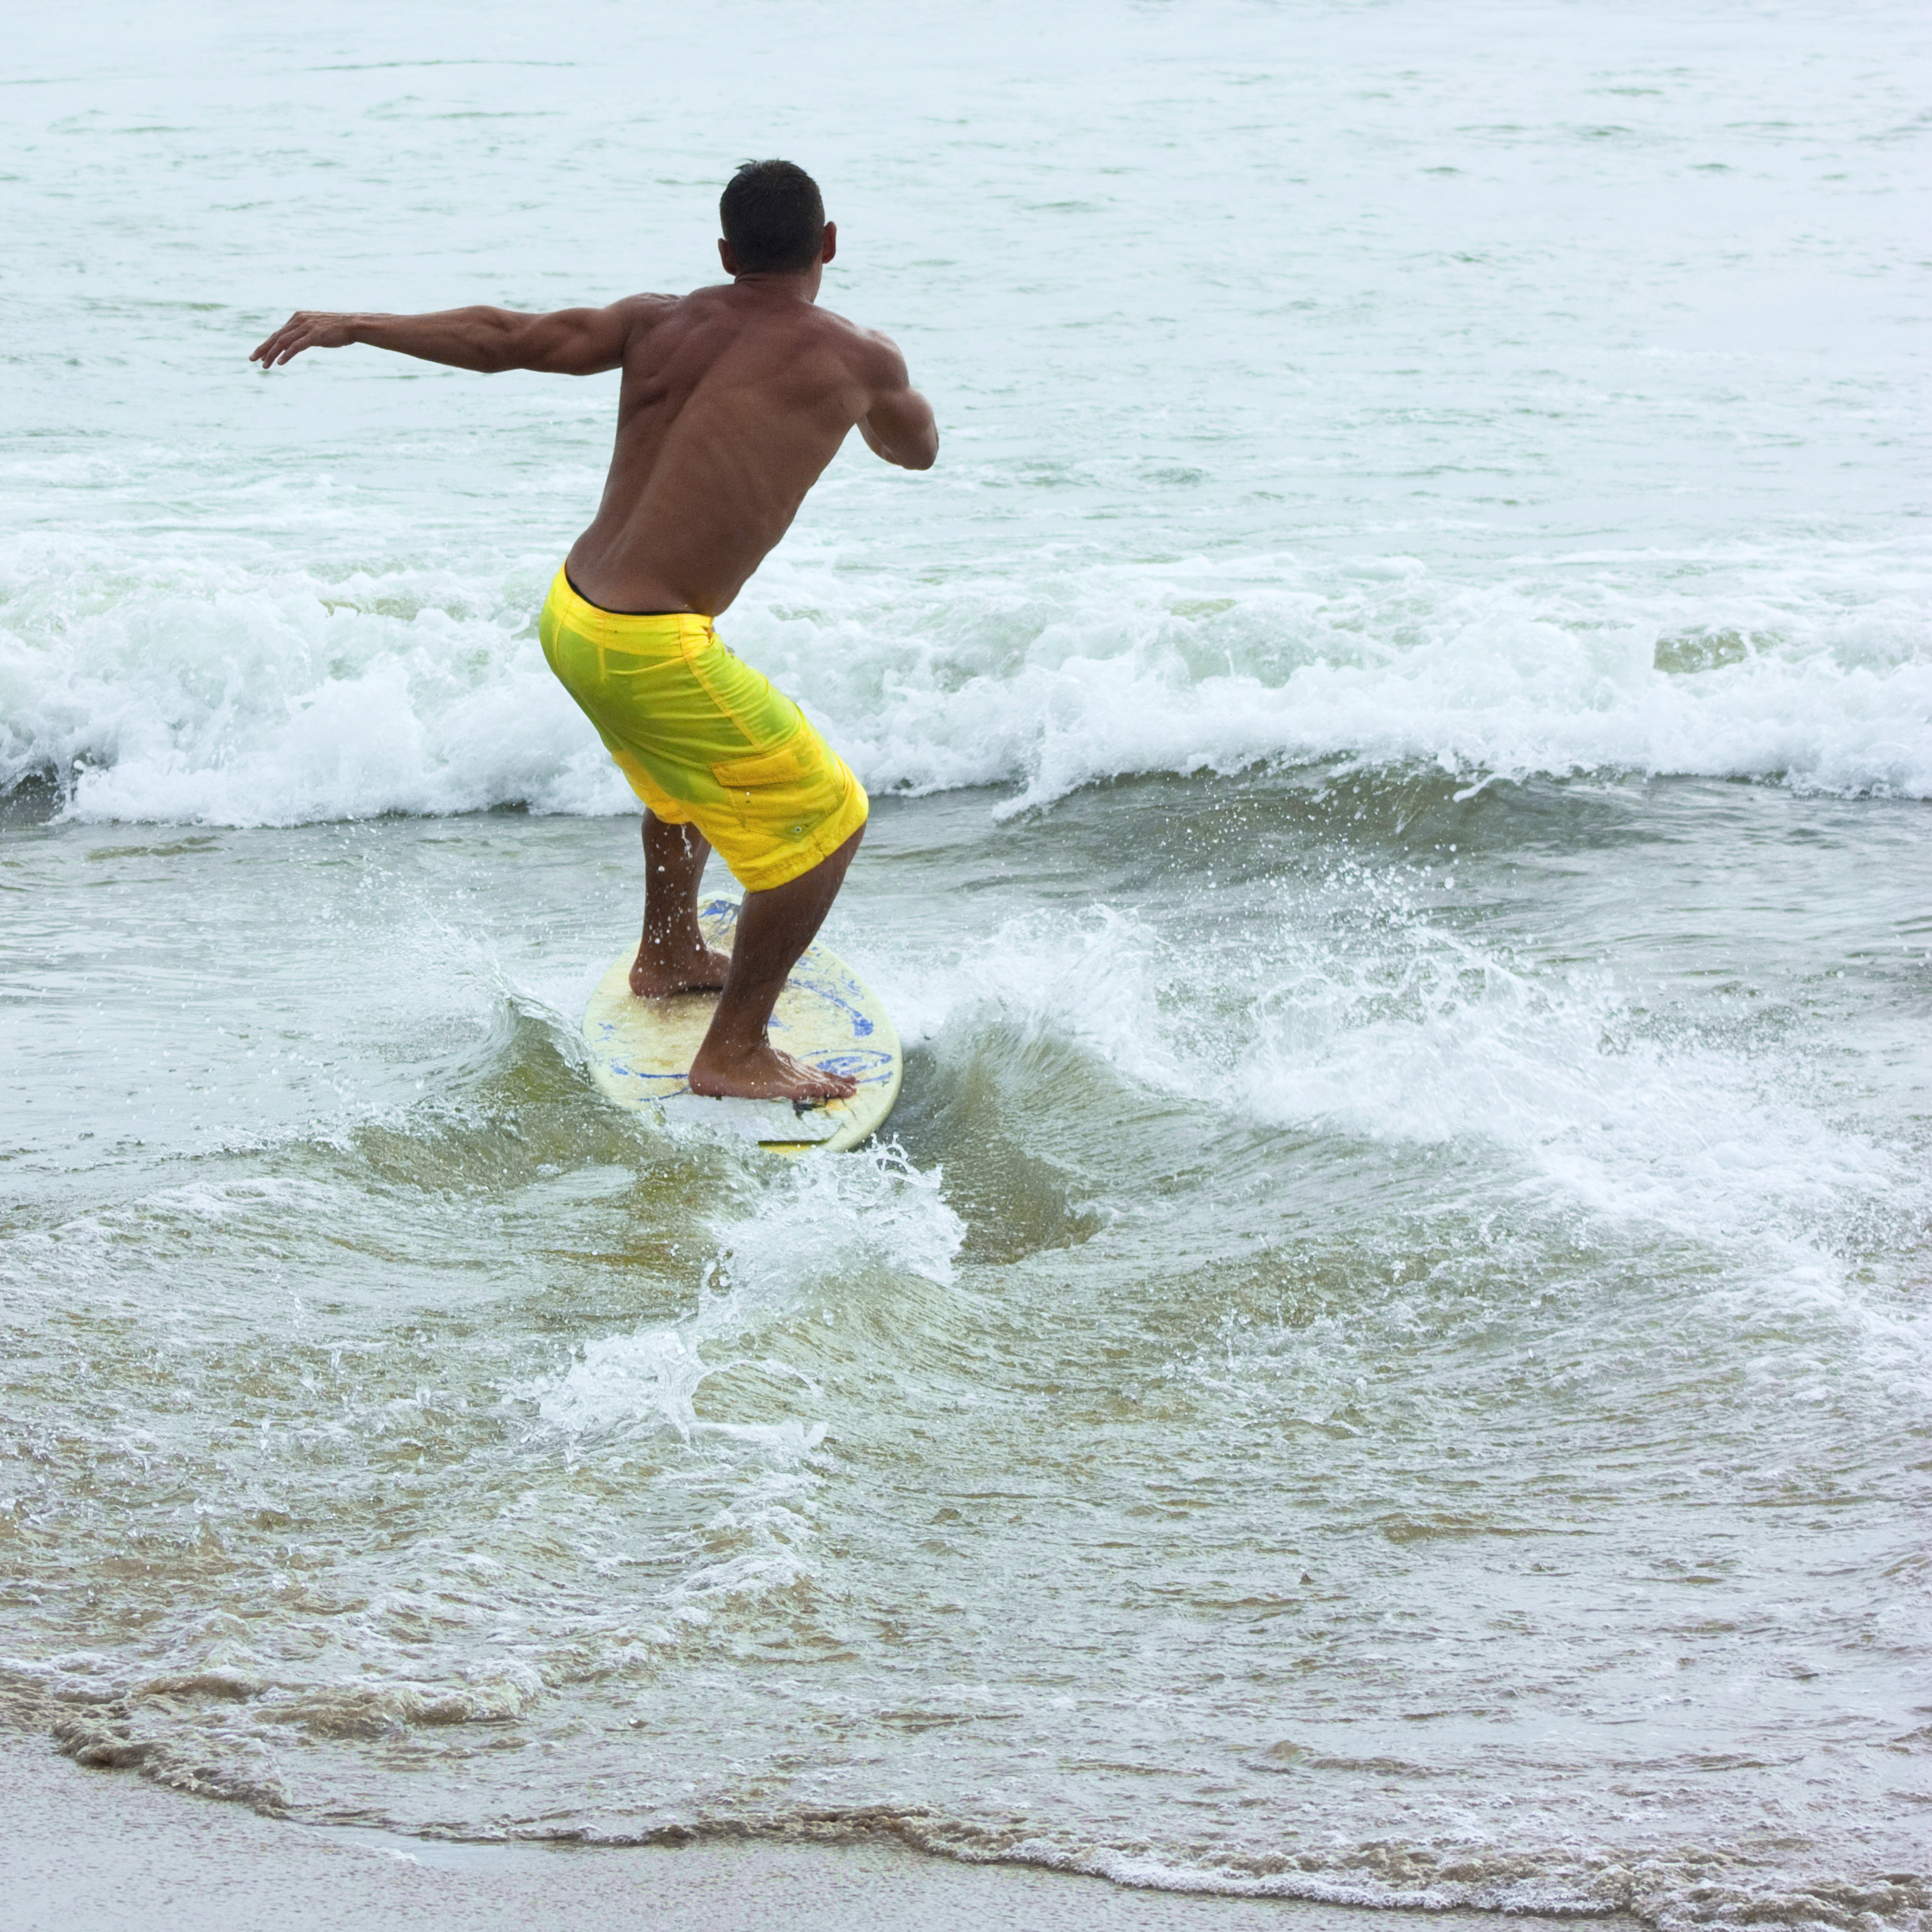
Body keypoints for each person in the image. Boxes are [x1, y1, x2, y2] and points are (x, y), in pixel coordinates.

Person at [251, 160, 938, 1102]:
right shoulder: (859, 357)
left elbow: (503, 339)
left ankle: (668, 951)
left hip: (574, 614)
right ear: (827, 244)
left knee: (685, 773)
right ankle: (733, 1048)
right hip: (650, 642)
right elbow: (916, 452)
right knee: (828, 824)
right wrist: (876, 401)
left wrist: (356, 324)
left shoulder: (658, 320)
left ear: (728, 253)